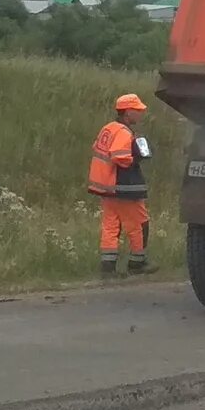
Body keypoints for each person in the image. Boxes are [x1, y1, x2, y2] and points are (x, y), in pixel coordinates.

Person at [88, 94, 154, 275]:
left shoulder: (108, 128)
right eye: (138, 111)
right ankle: (137, 263)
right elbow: (119, 156)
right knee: (139, 224)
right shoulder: (124, 133)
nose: (141, 114)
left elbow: (98, 148)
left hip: (106, 187)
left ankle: (108, 267)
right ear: (128, 112)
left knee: (111, 225)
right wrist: (137, 158)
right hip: (122, 186)